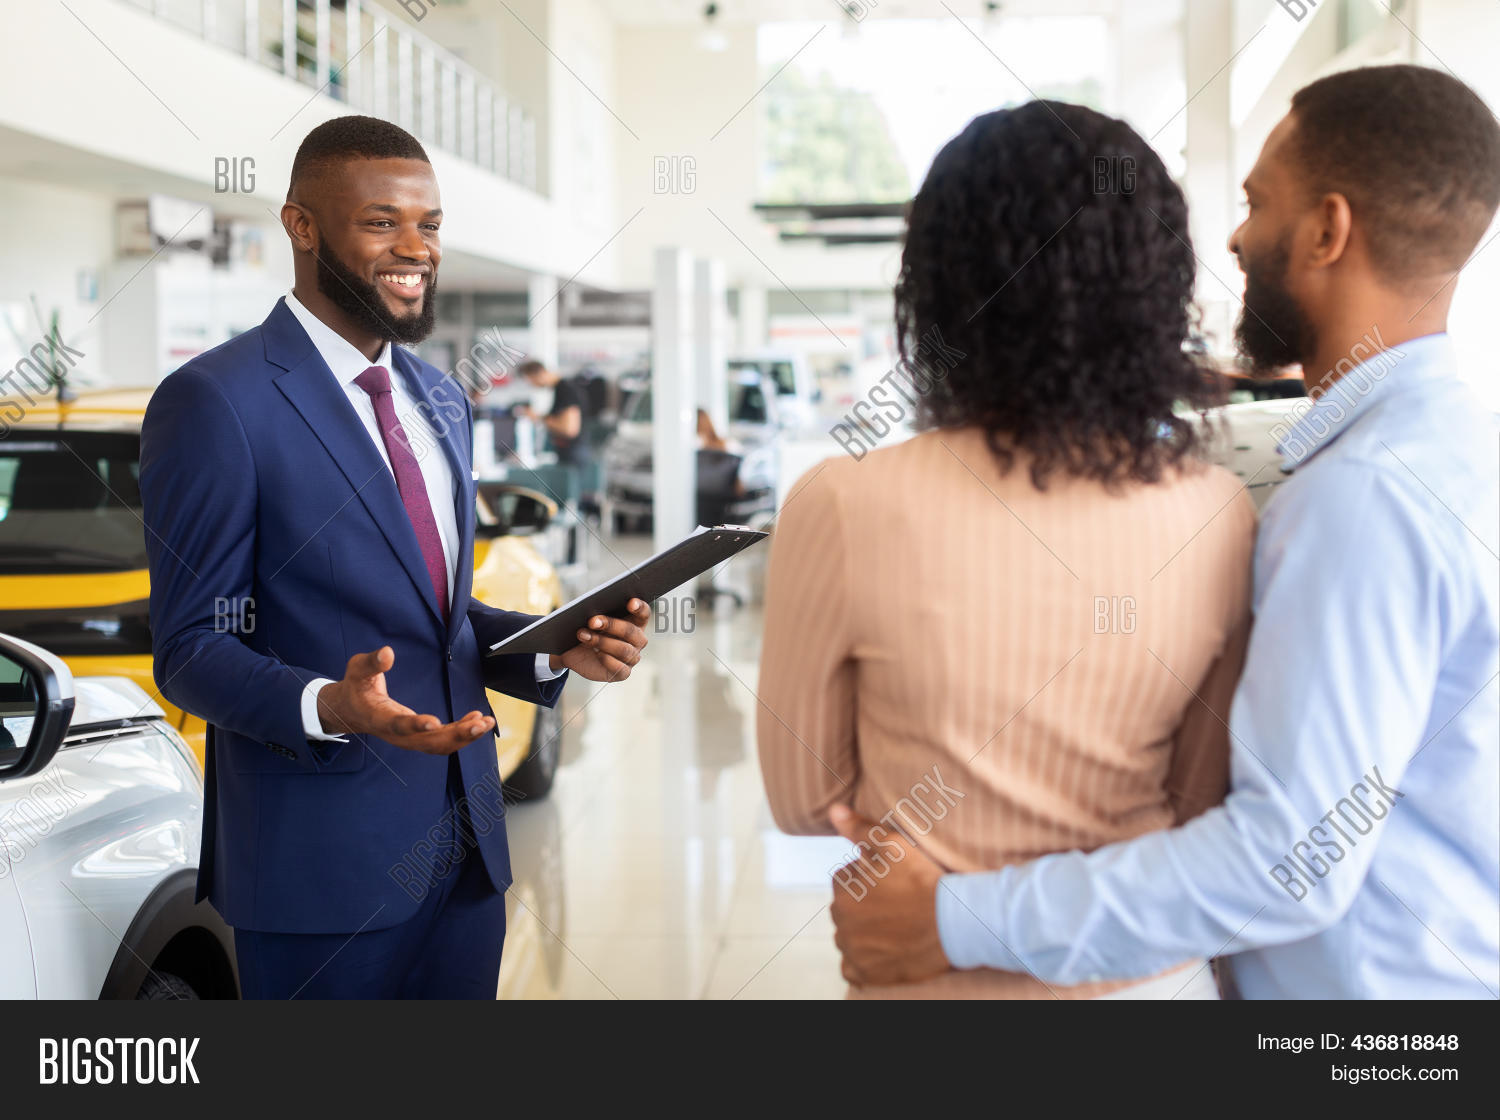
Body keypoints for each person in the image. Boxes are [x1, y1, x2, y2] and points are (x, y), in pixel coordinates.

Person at [829, 64, 1500, 1000]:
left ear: (1326, 230)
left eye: (1258, 202)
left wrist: (953, 917)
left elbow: (1290, 856)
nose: (1234, 234)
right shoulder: (1462, 449)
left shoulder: (1363, 498)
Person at [139, 116, 651, 999]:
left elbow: (438, 619)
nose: (416, 248)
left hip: (463, 856)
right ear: (301, 225)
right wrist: (328, 705)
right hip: (318, 874)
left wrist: (553, 644)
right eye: (382, 222)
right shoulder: (216, 402)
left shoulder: (439, 398)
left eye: (431, 224)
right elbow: (191, 649)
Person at [757, 102, 1254, 998]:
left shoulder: (843, 501)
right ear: (1155, 287)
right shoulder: (1221, 511)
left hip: (925, 976)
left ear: (939, 286)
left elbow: (803, 800)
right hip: (1145, 982)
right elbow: (1196, 799)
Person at [515, 358, 589, 466]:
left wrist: (537, 417)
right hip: (570, 451)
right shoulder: (561, 389)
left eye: (530, 381)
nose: (532, 385)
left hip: (573, 454)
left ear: (538, 374)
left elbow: (569, 429)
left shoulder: (565, 390)